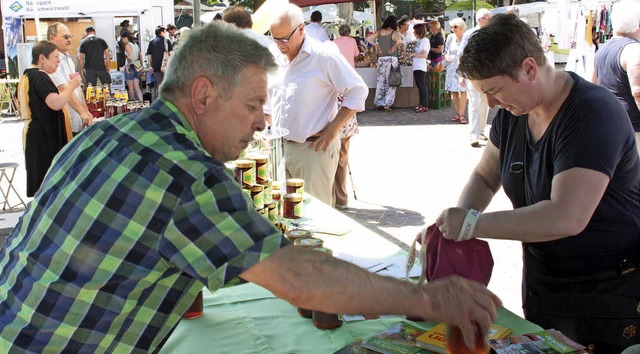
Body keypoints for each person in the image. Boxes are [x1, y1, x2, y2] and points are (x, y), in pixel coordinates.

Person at [0, 22, 501, 353]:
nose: (263, 122)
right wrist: (431, 300)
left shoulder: (112, 133)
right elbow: (303, 278)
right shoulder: (188, 175)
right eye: (253, 105)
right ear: (202, 94)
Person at [439, 14, 640, 352]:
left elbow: (566, 216)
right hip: (545, 283)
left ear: (530, 69)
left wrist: (471, 224)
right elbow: (486, 176)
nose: (491, 104)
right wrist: (452, 226)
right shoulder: (515, 112)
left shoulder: (592, 112)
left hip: (607, 292)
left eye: (495, 91)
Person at [267, 4, 368, 206]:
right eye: (274, 38)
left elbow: (358, 91)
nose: (280, 44)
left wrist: (333, 129)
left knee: (314, 221)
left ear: (301, 29)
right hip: (279, 148)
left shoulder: (323, 56)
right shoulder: (274, 55)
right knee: (283, 215)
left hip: (313, 149)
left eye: (285, 39)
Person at [17, 41, 81, 197]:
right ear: (42, 58)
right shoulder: (39, 76)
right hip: (43, 138)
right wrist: (72, 86)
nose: (58, 61)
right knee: (46, 183)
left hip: (38, 134)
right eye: (55, 57)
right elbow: (55, 103)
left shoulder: (28, 74)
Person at [593, 0, 640, 155]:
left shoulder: (602, 50)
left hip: (610, 125)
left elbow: (591, 84)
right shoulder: (634, 50)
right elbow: (638, 92)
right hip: (634, 129)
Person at [332, 24, 360, 210]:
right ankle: (341, 198)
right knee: (342, 159)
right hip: (345, 120)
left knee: (335, 160)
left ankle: (336, 199)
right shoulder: (349, 76)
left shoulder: (333, 45)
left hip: (335, 121)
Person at [48, 22, 93, 137]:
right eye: (65, 37)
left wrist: (86, 111)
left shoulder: (69, 58)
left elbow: (77, 87)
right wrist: (82, 112)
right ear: (52, 38)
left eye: (70, 36)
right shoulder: (52, 61)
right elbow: (63, 88)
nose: (69, 40)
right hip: (65, 120)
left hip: (78, 118)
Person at [458, 8, 492, 147]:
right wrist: (462, 75)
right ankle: (474, 135)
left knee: (485, 103)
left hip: (489, 74)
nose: (490, 20)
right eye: (487, 17)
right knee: (474, 103)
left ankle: (482, 130)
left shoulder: (493, 34)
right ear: (480, 19)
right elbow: (461, 55)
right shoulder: (469, 34)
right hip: (473, 73)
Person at [366, 15, 402, 112]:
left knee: (381, 81)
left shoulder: (380, 32)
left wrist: (377, 46)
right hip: (392, 59)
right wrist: (393, 49)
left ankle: (379, 102)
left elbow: (368, 38)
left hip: (381, 59)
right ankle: (387, 104)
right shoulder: (394, 33)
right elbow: (399, 41)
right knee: (391, 81)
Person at [444, 17, 468, 124]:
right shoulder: (450, 37)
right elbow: (446, 50)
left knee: (463, 90)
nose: (453, 29)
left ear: (461, 27)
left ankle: (462, 114)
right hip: (451, 66)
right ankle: (457, 112)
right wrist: (446, 56)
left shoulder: (466, 38)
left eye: (455, 27)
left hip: (462, 66)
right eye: (452, 27)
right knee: (454, 90)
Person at [146, 25, 172, 98]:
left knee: (159, 85)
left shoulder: (152, 42)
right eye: (165, 31)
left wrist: (150, 66)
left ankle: (161, 100)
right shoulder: (166, 41)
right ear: (161, 32)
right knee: (167, 85)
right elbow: (172, 54)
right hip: (166, 67)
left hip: (156, 67)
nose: (166, 33)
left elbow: (149, 55)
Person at [409, 23, 430, 113]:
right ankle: (421, 104)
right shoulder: (419, 40)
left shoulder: (425, 41)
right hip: (416, 66)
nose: (413, 32)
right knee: (419, 85)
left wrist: (414, 54)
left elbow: (424, 54)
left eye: (415, 31)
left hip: (420, 66)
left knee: (422, 86)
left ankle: (424, 105)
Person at [122, 32, 143, 101]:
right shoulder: (135, 45)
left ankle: (133, 103)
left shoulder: (128, 45)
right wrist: (141, 65)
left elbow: (131, 57)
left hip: (130, 66)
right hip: (137, 64)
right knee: (137, 87)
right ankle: (141, 102)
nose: (122, 41)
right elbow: (140, 55)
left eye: (123, 39)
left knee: (130, 87)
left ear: (125, 38)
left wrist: (127, 66)